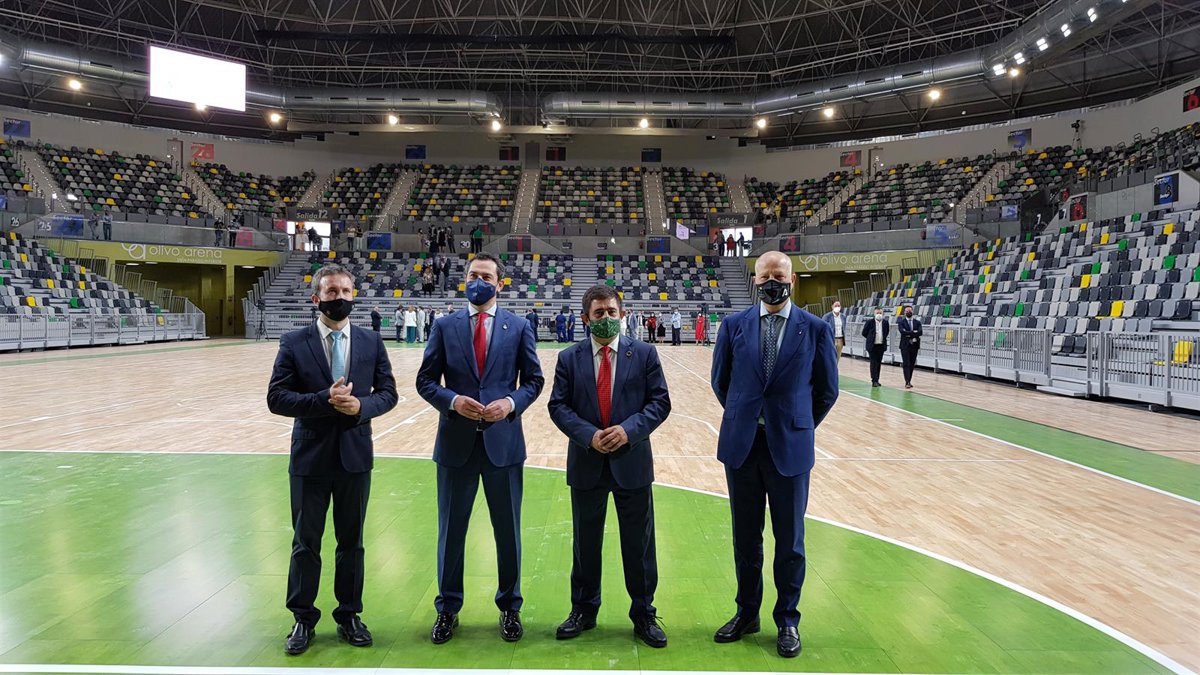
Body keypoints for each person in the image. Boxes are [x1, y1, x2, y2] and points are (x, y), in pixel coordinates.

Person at [709, 251, 838, 659]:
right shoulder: (733, 326)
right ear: (755, 280)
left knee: (790, 541)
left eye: (778, 276)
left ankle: (787, 620)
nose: (771, 282)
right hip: (743, 447)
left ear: (792, 280)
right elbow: (720, 382)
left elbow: (827, 390)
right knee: (745, 539)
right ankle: (747, 613)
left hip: (790, 447)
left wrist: (796, 424)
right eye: (765, 276)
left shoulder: (815, 329)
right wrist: (749, 417)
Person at [266, 263, 399, 655]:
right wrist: (323, 399)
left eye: (345, 292)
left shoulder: (371, 342)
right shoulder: (294, 342)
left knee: (351, 543)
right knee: (305, 543)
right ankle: (302, 618)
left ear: (353, 296)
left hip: (355, 456)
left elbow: (388, 393)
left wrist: (361, 407)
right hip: (309, 458)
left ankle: (349, 615)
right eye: (331, 292)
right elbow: (277, 398)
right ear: (316, 298)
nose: (338, 298)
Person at [416, 252, 545, 645]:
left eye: (486, 276)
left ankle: (510, 606)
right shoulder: (444, 326)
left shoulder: (519, 326)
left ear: (499, 283)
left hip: (503, 445)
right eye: (473, 275)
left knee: (508, 532)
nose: (479, 281)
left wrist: (510, 403)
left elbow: (534, 381)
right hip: (455, 444)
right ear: (464, 279)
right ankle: (447, 608)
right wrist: (453, 401)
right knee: (451, 531)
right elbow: (426, 381)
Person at [547, 285, 672, 648]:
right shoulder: (568, 358)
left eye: (611, 312)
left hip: (631, 461)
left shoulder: (644, 354)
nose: (606, 318)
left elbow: (659, 402)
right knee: (585, 543)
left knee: (639, 544)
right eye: (598, 313)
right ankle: (583, 610)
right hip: (587, 461)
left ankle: (644, 613)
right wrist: (588, 435)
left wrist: (628, 430)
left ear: (623, 314)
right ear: (585, 318)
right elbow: (558, 406)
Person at [861, 307, 890, 387]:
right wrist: (870, 338)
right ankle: (874, 380)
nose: (879, 314)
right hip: (872, 346)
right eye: (877, 313)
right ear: (874, 314)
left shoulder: (885, 323)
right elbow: (864, 333)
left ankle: (877, 379)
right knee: (873, 363)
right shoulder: (869, 322)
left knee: (878, 363)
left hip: (881, 345)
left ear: (883, 314)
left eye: (880, 313)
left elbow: (886, 332)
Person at [897, 305, 923, 389]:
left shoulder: (917, 322)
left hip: (914, 345)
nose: (908, 312)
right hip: (905, 345)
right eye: (907, 311)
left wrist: (908, 333)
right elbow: (902, 332)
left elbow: (920, 332)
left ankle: (909, 380)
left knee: (912, 364)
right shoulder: (901, 322)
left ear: (912, 311)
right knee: (906, 363)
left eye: (910, 311)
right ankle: (907, 381)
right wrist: (913, 332)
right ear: (904, 313)